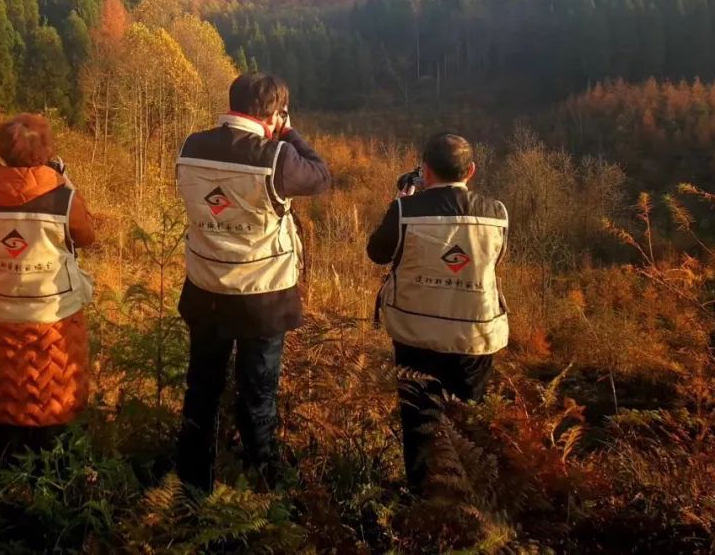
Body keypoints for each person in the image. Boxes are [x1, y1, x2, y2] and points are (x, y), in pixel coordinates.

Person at [174, 73, 331, 493]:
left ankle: (191, 486)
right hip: (262, 297)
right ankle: (262, 492)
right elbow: (320, 176)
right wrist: (291, 132)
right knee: (258, 398)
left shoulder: (190, 147)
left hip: (204, 288)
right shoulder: (276, 156)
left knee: (201, 391)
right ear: (274, 114)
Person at [366, 133, 508, 493]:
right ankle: (471, 507)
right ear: (471, 171)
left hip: (416, 334)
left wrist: (401, 201)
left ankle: (424, 504)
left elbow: (378, 253)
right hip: (475, 337)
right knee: (468, 431)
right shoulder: (497, 214)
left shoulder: (405, 211)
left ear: (424, 171)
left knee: (420, 425)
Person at [0, 113, 97, 458]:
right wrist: (63, 180)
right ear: (47, 149)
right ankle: (55, 466)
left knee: (6, 388)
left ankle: (1, 460)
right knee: (56, 392)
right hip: (53, 310)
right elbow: (86, 236)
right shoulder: (62, 199)